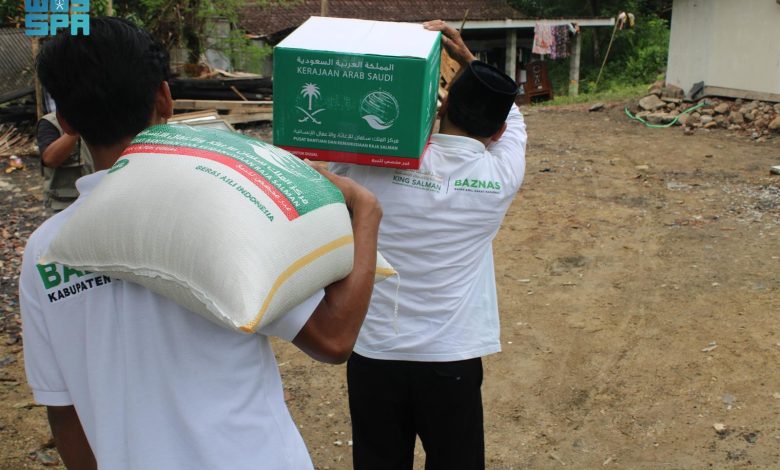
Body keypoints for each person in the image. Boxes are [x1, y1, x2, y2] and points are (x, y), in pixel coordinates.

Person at [19, 17, 382, 470]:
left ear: (66, 121)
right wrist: (366, 212)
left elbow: (64, 411)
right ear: (164, 98)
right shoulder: (230, 204)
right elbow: (333, 338)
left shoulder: (44, 252)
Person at [330, 20, 528, 470]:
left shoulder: (373, 164)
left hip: (376, 351)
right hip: (452, 359)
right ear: (497, 132)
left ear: (443, 106)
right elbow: (513, 119)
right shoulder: (502, 176)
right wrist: (469, 60)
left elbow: (339, 144)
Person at [36, 111, 94, 213]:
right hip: (64, 204)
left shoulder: (100, 120)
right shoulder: (51, 121)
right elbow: (50, 160)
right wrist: (76, 128)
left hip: (96, 196)